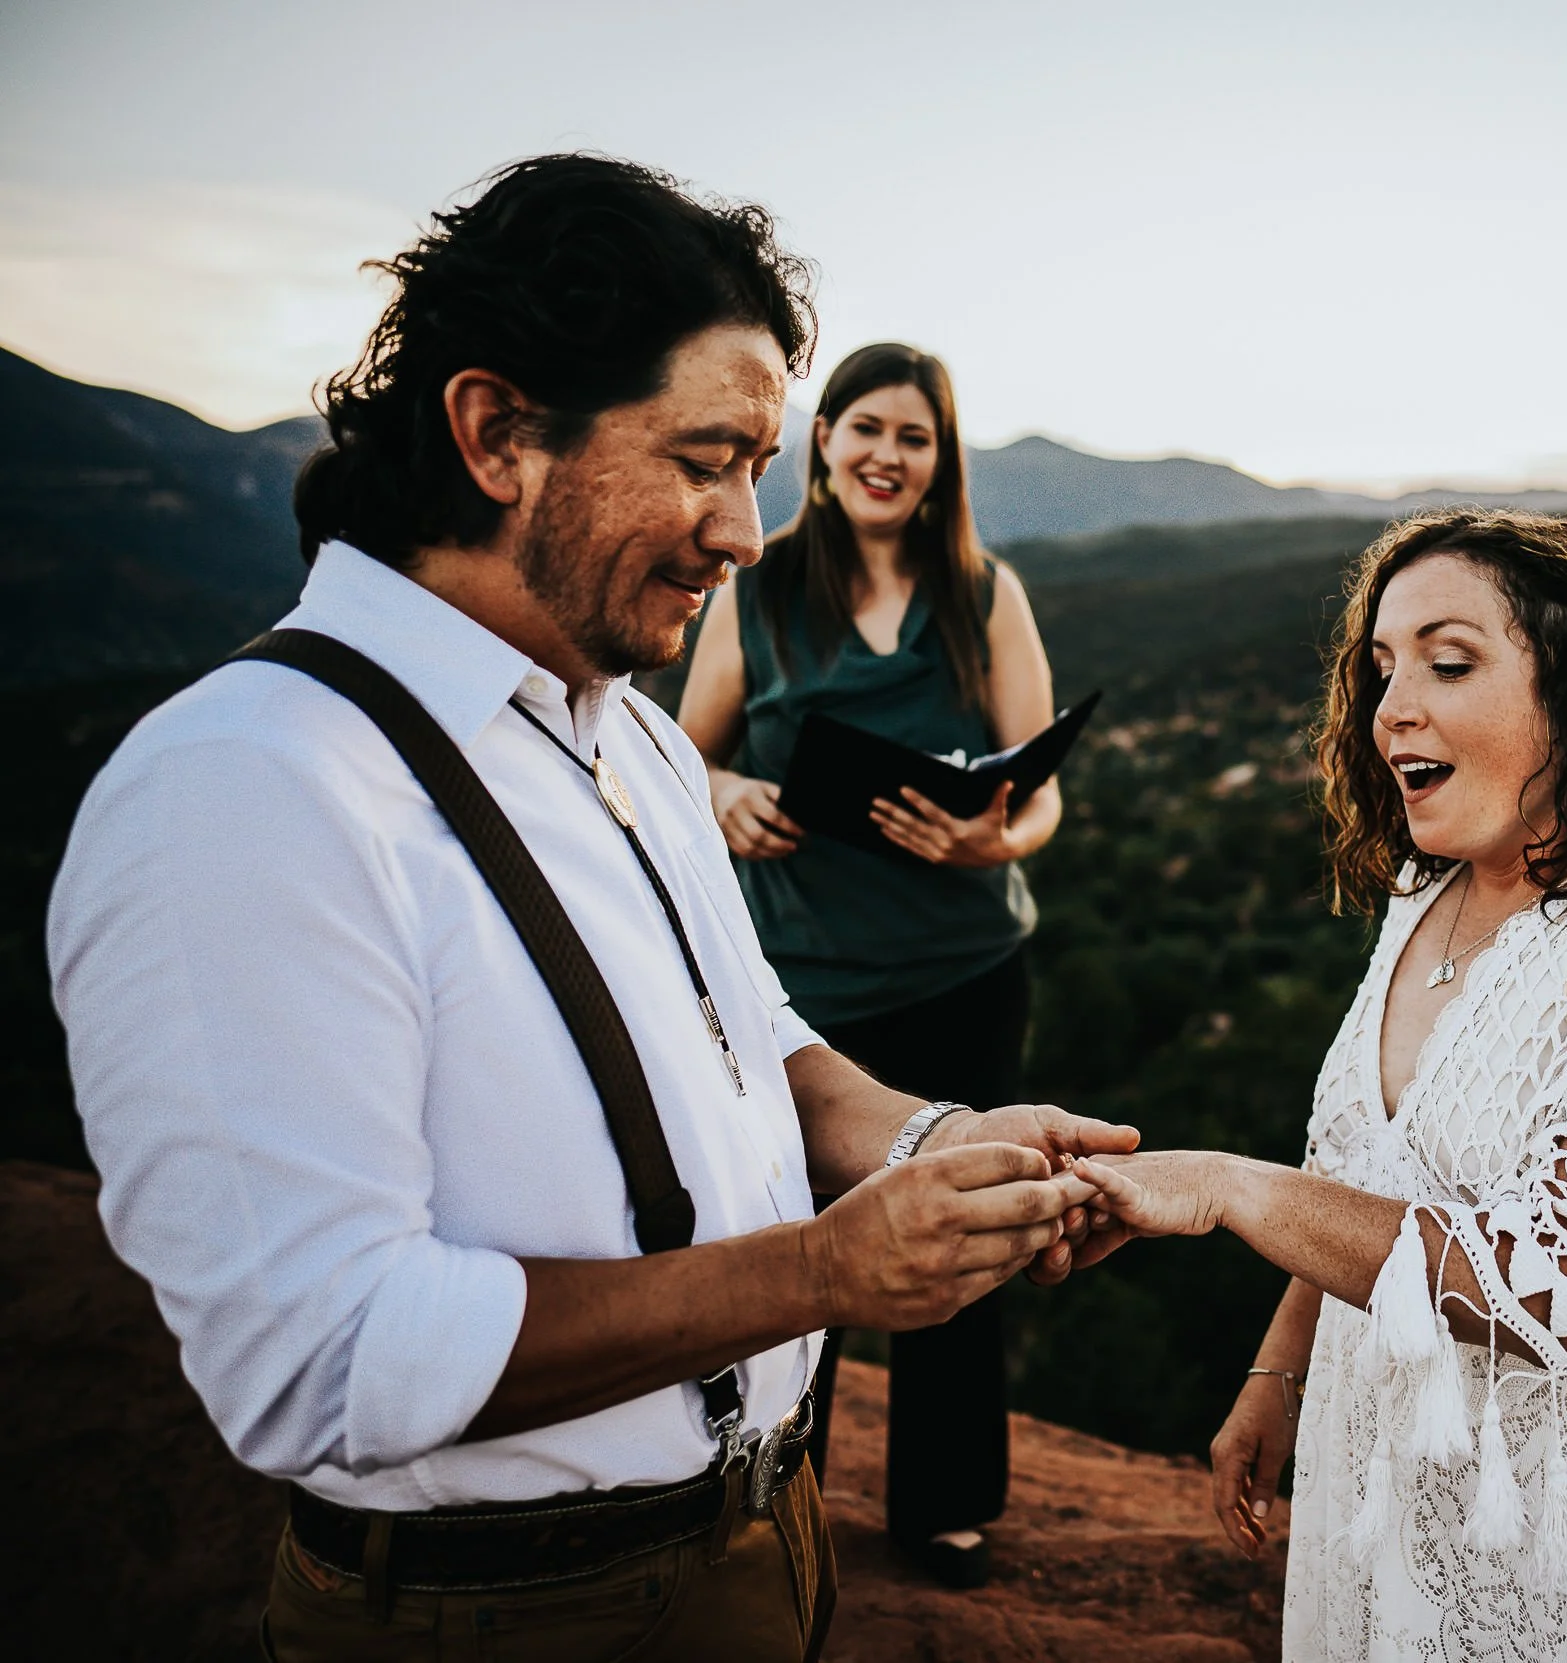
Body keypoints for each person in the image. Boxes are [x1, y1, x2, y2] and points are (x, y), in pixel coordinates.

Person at [46, 155, 1131, 1662]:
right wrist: (825, 1271)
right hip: (505, 1613)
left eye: (760, 465)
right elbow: (319, 1360)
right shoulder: (247, 786)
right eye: (706, 460)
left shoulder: (623, 732)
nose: (748, 529)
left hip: (761, 1550)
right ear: (497, 432)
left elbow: (752, 1029)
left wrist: (935, 1142)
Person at [1073, 510, 1567, 1661]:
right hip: (1377, 1499)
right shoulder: (1423, 895)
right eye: (1380, 669)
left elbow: (1563, 1281)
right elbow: (1357, 1172)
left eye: (1448, 662)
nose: (1392, 705)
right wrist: (1278, 1372)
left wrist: (1225, 1188)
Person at [676, 342, 1059, 1588]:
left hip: (966, 966)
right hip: (801, 992)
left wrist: (995, 832)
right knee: (802, 1240)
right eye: (868, 430)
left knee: (968, 1224)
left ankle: (943, 1504)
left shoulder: (983, 592)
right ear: (823, 440)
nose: (891, 456)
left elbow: (1042, 794)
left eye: (918, 436)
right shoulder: (759, 589)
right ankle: (773, 1486)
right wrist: (727, 791)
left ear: (941, 460)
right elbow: (682, 760)